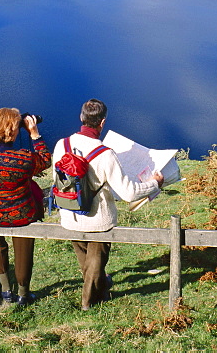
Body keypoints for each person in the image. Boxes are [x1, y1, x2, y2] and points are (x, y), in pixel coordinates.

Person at [54, 98, 164, 310]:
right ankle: (89, 301)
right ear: (102, 123)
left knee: (85, 260)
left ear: (81, 117)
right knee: (96, 261)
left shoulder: (62, 145)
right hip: (97, 218)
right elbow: (129, 192)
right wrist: (154, 183)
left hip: (69, 213)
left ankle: (101, 288)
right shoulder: (105, 154)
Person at [0, 107, 50, 307]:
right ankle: (23, 294)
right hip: (21, 214)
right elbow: (45, 160)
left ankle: (5, 290)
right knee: (23, 249)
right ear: (13, 130)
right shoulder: (23, 158)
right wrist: (34, 133)